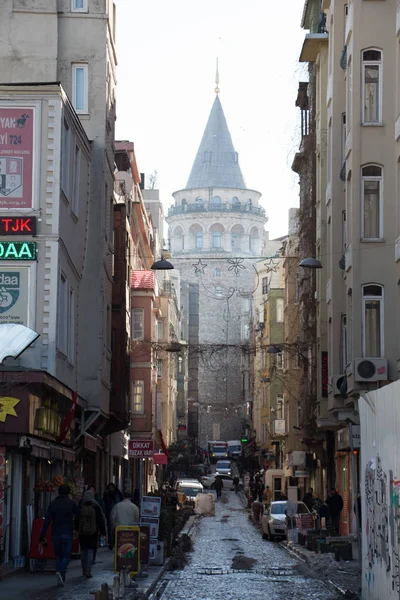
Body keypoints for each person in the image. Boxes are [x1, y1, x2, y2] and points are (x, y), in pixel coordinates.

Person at [39, 484, 79, 587]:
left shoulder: (53, 504)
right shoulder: (71, 503)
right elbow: (78, 516)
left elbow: (47, 520)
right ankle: (60, 572)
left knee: (58, 556)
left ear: (59, 492)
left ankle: (60, 578)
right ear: (68, 492)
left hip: (56, 532)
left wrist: (42, 533)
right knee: (67, 556)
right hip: (67, 532)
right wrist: (77, 528)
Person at [76, 490, 106, 578]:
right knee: (90, 550)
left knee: (83, 550)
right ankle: (88, 570)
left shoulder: (81, 506)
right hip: (93, 532)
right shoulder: (96, 507)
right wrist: (103, 531)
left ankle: (83, 569)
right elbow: (100, 520)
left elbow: (77, 519)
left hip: (82, 532)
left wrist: (77, 529)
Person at [103, 483, 123, 549]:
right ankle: (111, 542)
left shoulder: (116, 493)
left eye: (112, 488)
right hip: (110, 512)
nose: (111, 489)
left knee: (114, 527)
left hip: (114, 512)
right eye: (110, 488)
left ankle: (114, 542)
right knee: (111, 528)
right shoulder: (107, 494)